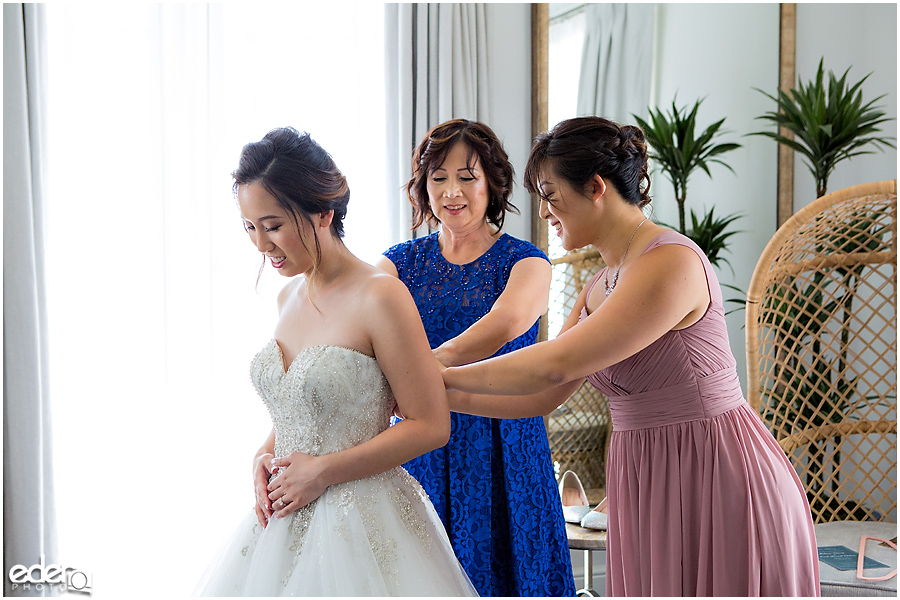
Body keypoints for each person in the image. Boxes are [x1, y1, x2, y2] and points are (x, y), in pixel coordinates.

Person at [441, 116, 821, 596]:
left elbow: (553, 362)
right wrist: (438, 397)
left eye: (550, 195)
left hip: (715, 474)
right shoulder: (598, 286)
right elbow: (541, 396)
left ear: (596, 187)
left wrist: (435, 372)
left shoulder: (671, 261)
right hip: (646, 481)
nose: (543, 212)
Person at [194, 127, 476, 596]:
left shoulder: (380, 296)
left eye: (274, 225)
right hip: (283, 520)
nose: (262, 245)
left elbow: (430, 424)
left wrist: (322, 471)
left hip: (361, 520)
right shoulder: (287, 296)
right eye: (249, 227)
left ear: (323, 212)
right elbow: (298, 407)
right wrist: (263, 455)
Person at [375, 119, 576, 597]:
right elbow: (360, 333)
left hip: (505, 445)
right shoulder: (395, 264)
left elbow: (505, 324)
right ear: (423, 187)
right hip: (422, 446)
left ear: (492, 183)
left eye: (467, 177)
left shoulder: (526, 262)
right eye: (438, 177)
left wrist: (425, 370)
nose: (451, 192)